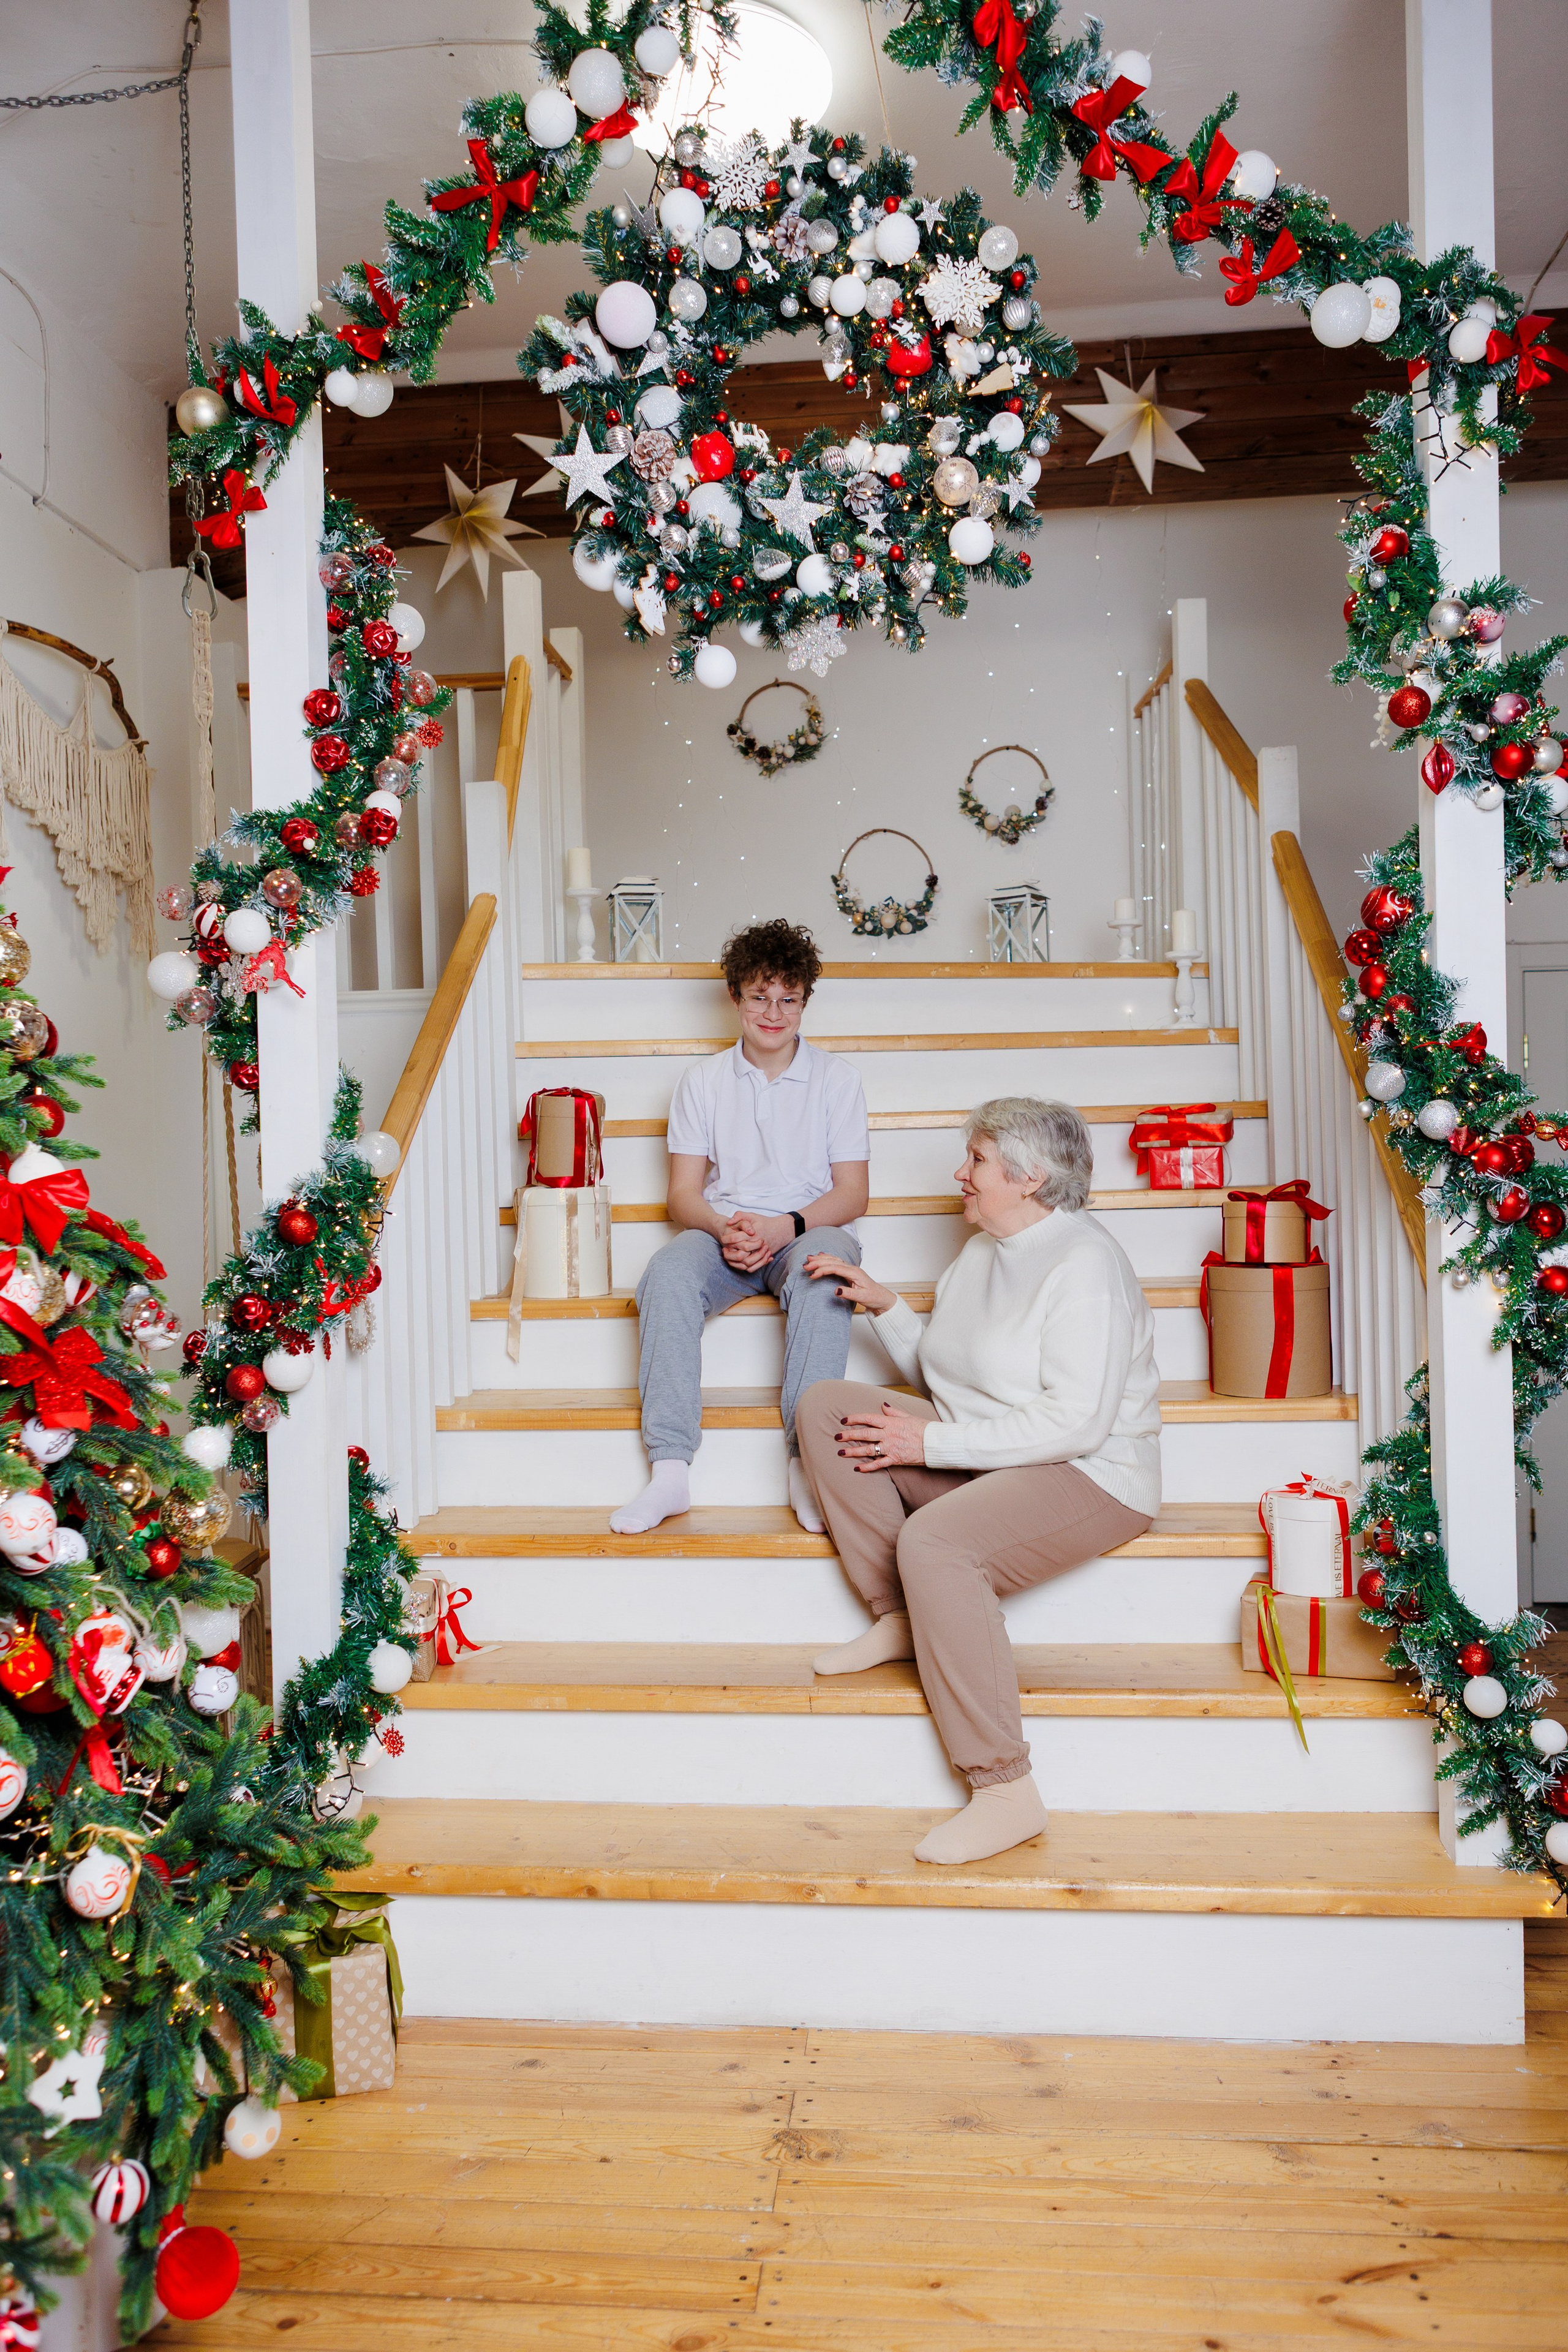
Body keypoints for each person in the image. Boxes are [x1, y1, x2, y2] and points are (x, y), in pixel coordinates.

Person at [797, 1097, 1160, 1866]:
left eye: (977, 1161)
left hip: (1089, 1474)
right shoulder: (981, 1252)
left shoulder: (1084, 1264)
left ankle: (1004, 1789)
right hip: (991, 1455)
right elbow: (953, 1378)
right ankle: (903, 1617)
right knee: (828, 1408)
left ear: (1029, 1178)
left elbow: (1078, 1424)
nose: (960, 1174)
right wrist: (888, 1308)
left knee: (935, 1541)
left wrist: (929, 1442)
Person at [610, 919, 870, 1536]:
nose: (773, 1013)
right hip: (725, 1230)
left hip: (805, 1229)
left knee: (826, 1273)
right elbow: (682, 1195)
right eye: (759, 997)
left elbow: (852, 1193)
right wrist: (724, 1227)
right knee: (667, 1274)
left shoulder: (837, 1079)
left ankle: (807, 1465)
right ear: (735, 997)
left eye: (788, 999)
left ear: (804, 1001)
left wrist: (787, 1227)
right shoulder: (702, 1081)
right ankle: (670, 1469)